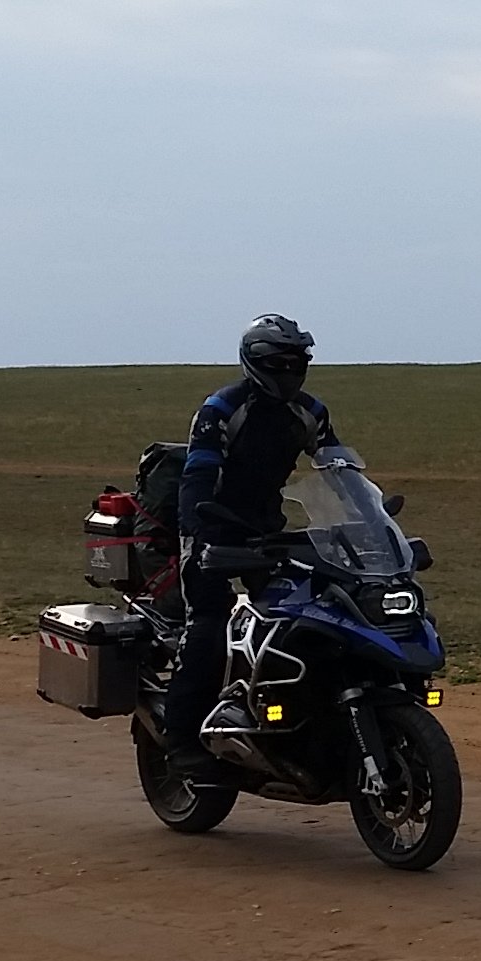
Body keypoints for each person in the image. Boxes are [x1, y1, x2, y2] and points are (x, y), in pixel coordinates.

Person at [158, 314, 340, 780]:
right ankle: (181, 741)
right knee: (208, 624)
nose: (289, 370)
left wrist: (361, 519)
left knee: (301, 617)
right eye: (279, 361)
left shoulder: (311, 412)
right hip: (211, 529)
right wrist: (199, 533)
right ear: (255, 361)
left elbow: (339, 471)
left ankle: (292, 720)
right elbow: (198, 475)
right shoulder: (222, 408)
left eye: (296, 361)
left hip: (267, 529)